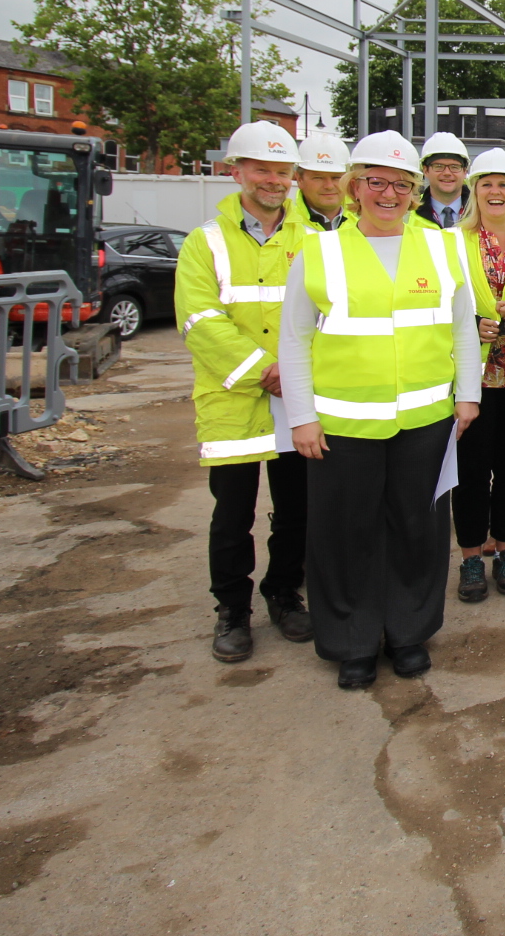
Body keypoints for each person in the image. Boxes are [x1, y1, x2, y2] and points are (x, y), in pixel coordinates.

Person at [281, 131, 482, 689]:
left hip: (425, 418)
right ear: (354, 188)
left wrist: (468, 396)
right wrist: (302, 416)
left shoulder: (443, 248)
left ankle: (408, 633)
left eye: (400, 184)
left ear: (414, 191)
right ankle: (353, 640)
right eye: (376, 181)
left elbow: (463, 327)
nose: (388, 194)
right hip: (343, 424)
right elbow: (294, 340)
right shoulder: (319, 252)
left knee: (417, 529)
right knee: (347, 533)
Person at [175, 120, 314, 663]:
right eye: (262, 170)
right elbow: (199, 320)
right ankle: (231, 609)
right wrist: (267, 369)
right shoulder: (204, 242)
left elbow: (328, 312)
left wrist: (294, 374)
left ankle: (284, 590)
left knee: (296, 508)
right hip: (235, 400)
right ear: (236, 172)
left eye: (283, 172)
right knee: (232, 513)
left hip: (296, 400)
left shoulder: (315, 241)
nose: (273, 181)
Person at [451, 149, 505, 604]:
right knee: (469, 472)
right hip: (472, 379)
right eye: (486, 184)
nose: (495, 192)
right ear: (474, 190)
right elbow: (437, 306)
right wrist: (468, 325)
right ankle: (469, 556)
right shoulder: (452, 242)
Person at [295, 129, 351, 231]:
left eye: (336, 177)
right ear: (299, 179)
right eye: (318, 178)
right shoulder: (284, 223)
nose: (329, 186)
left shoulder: (364, 219)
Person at [414, 132, 472, 228]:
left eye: (454, 167)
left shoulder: (482, 212)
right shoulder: (409, 213)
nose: (447, 173)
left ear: (465, 171)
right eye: (439, 166)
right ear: (425, 170)